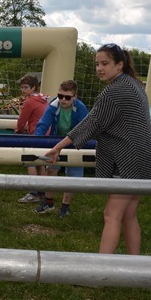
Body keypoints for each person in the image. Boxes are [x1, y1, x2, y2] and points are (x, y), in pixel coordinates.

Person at [45, 43, 151, 254]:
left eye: (105, 63)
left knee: (111, 215)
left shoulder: (115, 91)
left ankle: (101, 268)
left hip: (129, 161)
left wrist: (58, 146)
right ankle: (135, 264)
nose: (99, 68)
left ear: (119, 65)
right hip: (145, 157)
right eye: (97, 64)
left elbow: (92, 123)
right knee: (128, 215)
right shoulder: (134, 84)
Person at [33, 80, 89, 217]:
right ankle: (49, 202)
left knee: (73, 176)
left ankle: (65, 206)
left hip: (75, 143)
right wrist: (36, 141)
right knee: (51, 170)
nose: (63, 99)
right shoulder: (54, 104)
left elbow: (84, 129)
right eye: (60, 96)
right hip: (56, 141)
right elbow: (43, 124)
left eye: (67, 97)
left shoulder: (81, 108)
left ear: (75, 97)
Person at [16, 74, 49, 204]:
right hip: (46, 135)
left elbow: (21, 120)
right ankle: (44, 192)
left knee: (29, 161)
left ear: (33, 87)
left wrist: (18, 130)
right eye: (22, 87)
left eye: (25, 87)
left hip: (36, 134)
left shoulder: (29, 101)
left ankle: (33, 192)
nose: (23, 90)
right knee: (41, 163)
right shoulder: (43, 99)